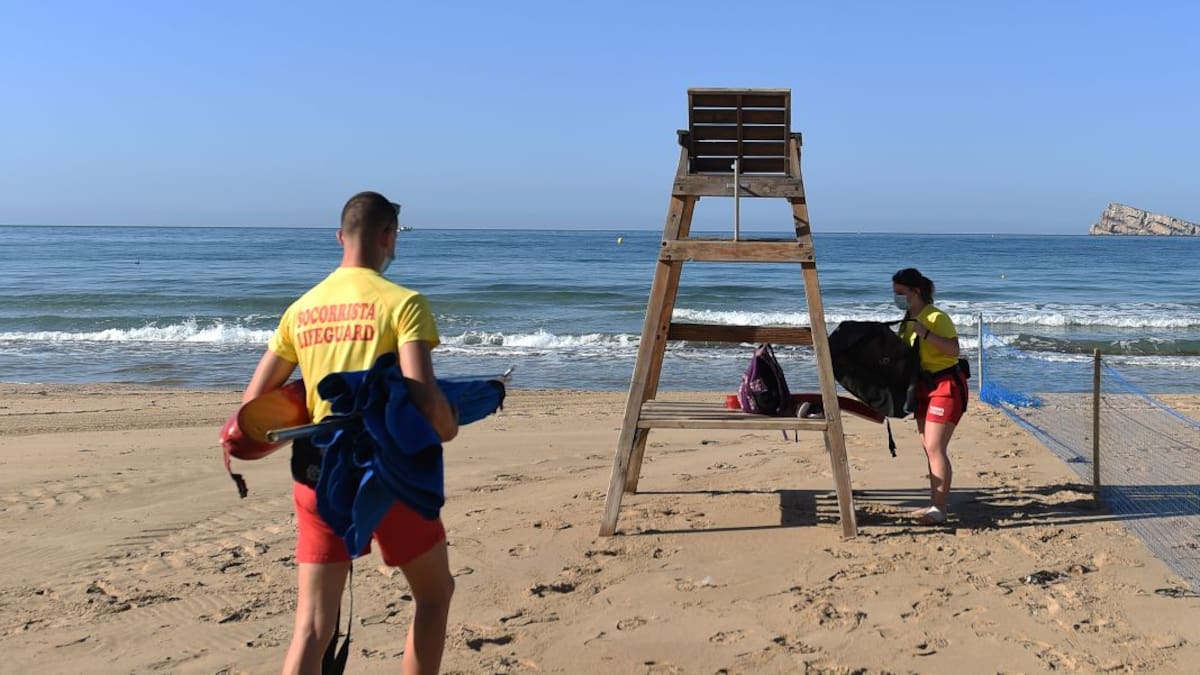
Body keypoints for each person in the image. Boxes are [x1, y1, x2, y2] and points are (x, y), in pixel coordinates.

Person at [241, 191, 459, 675]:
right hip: (389, 474)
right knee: (434, 595)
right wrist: (448, 426)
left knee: (313, 626)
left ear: (340, 237)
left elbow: (252, 405)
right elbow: (424, 396)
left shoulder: (301, 309)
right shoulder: (404, 304)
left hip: (317, 471)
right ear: (389, 236)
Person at [892, 267, 966, 525]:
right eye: (895, 294)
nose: (898, 298)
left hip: (946, 386)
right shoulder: (906, 320)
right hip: (922, 388)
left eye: (901, 293)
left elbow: (954, 349)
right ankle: (935, 503)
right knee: (929, 447)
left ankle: (940, 508)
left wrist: (925, 332)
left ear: (916, 291)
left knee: (935, 447)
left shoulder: (935, 317)